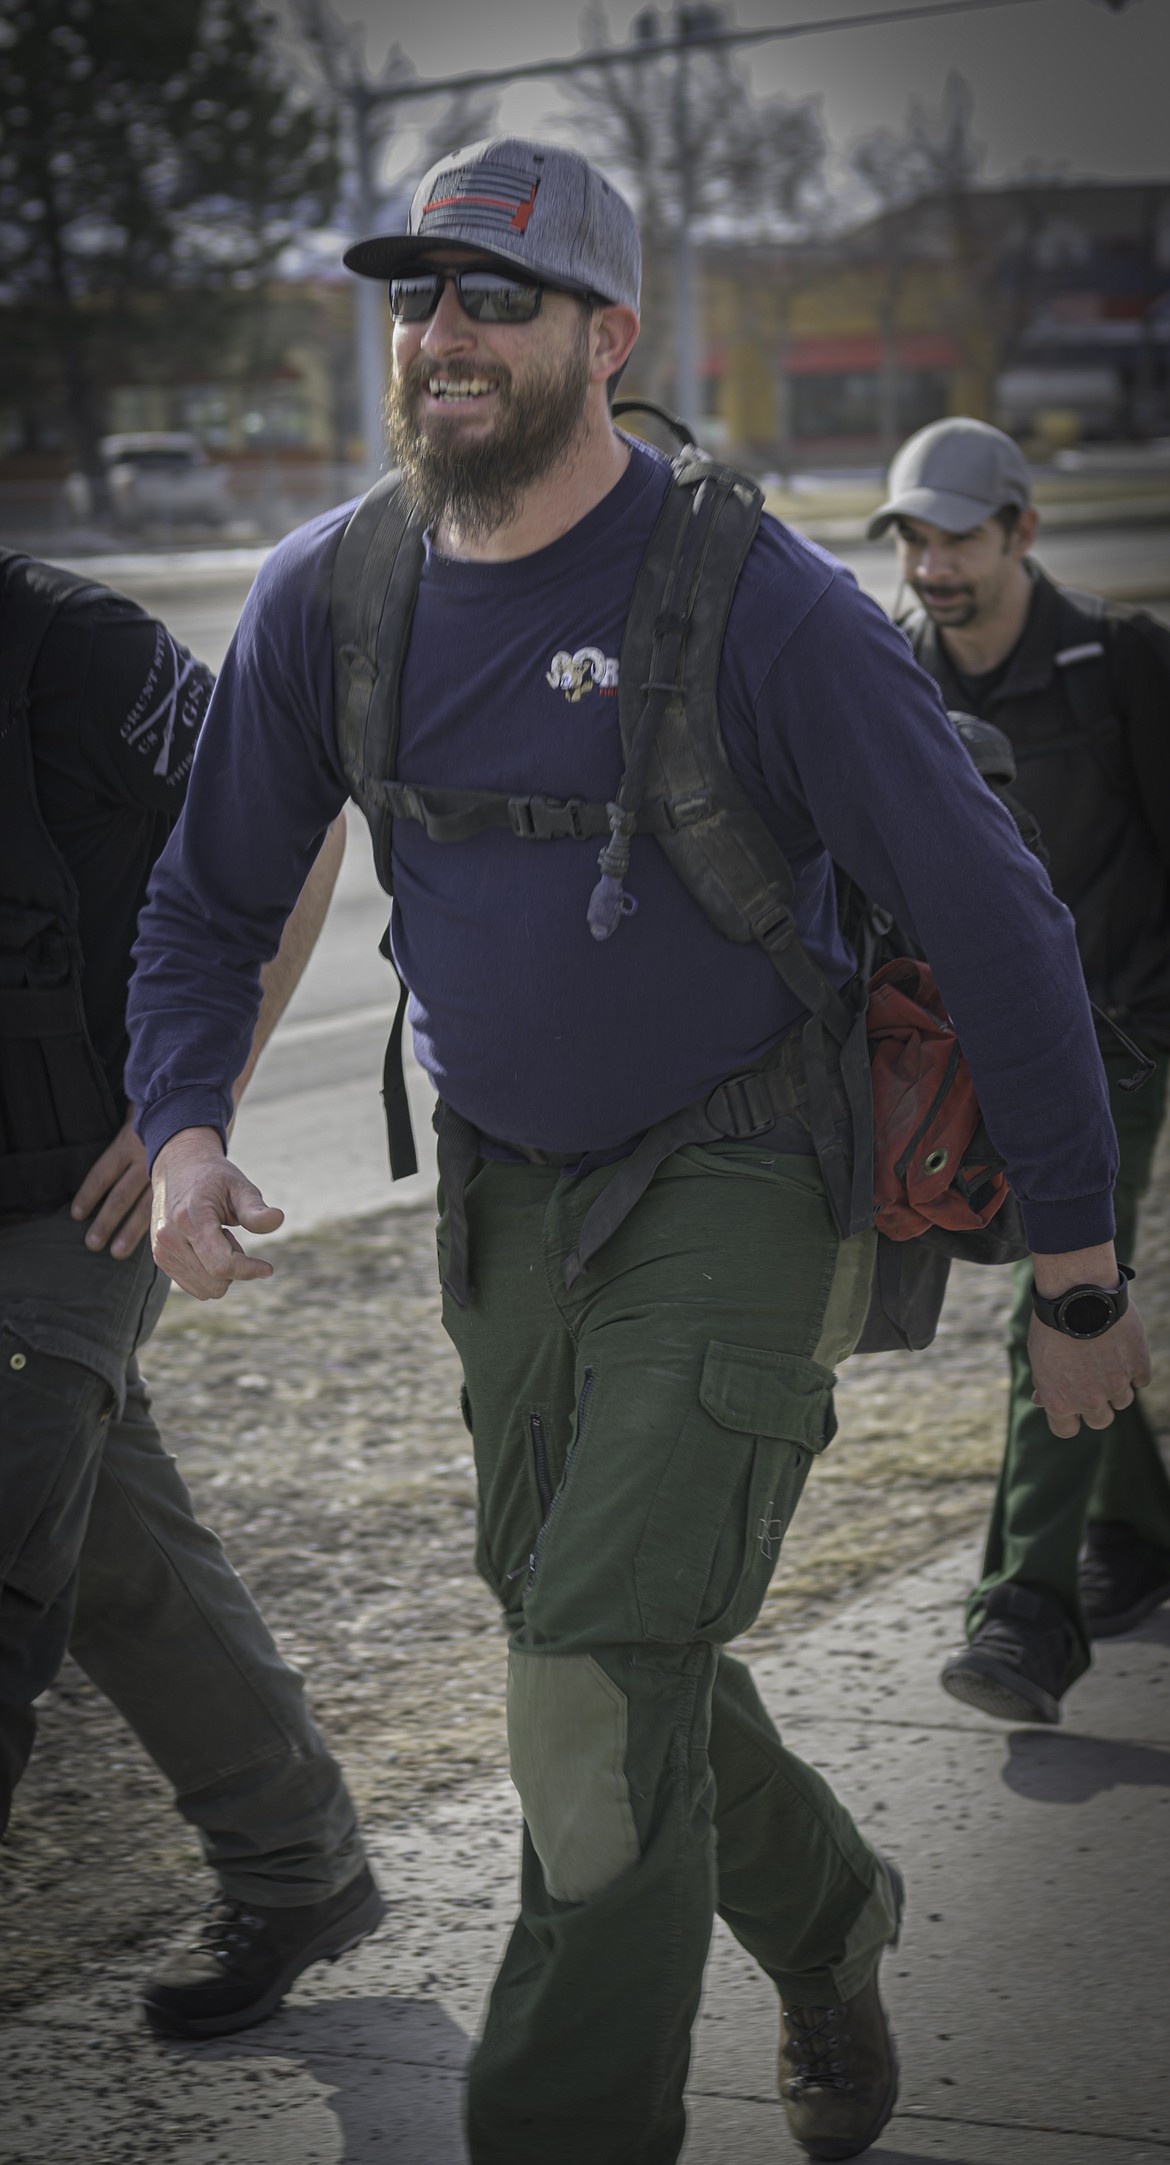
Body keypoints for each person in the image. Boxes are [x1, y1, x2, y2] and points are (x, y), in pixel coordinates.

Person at [125, 139, 1149, 2165]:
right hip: (505, 1202)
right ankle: (836, 1914)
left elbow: (1002, 918)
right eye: (417, 295)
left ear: (608, 336)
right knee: (589, 1653)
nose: (443, 334)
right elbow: (206, 896)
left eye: (495, 299)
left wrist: (1079, 1275)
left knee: (588, 1682)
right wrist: (182, 1128)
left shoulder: (757, 604)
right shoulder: (330, 589)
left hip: (749, 1175)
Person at [0, 552, 385, 2040]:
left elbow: (283, 835)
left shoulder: (70, 649)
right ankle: (297, 1863)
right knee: (99, 1542)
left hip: (71, 1199)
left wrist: (186, 1110)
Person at [868, 417, 1170, 1726]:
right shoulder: (886, 675)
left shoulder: (1122, 665)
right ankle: (1143, 1528)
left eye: (958, 536)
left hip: (1115, 1039)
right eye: (912, 539)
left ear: (1022, 532)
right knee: (1056, 1312)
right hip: (963, 1057)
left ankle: (1024, 1617)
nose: (934, 564)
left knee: (1058, 1304)